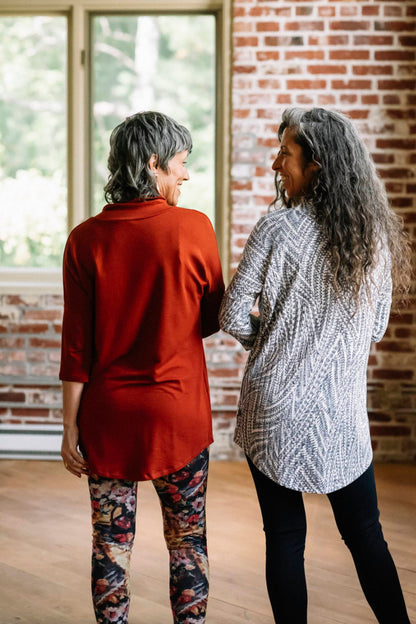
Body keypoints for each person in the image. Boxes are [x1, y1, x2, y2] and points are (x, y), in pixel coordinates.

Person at [219, 107, 412, 623]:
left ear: (317, 164)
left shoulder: (276, 227)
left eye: (286, 152)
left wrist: (273, 342)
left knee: (284, 537)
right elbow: (373, 329)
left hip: (273, 408)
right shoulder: (371, 237)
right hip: (340, 412)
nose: (275, 162)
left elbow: (233, 314)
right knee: (365, 533)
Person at [60, 111, 224, 624]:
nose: (186, 175)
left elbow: (76, 347)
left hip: (108, 419)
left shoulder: (84, 239)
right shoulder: (195, 228)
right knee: (187, 542)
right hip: (178, 417)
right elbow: (212, 319)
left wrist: (68, 427)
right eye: (181, 163)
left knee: (110, 548)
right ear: (153, 163)